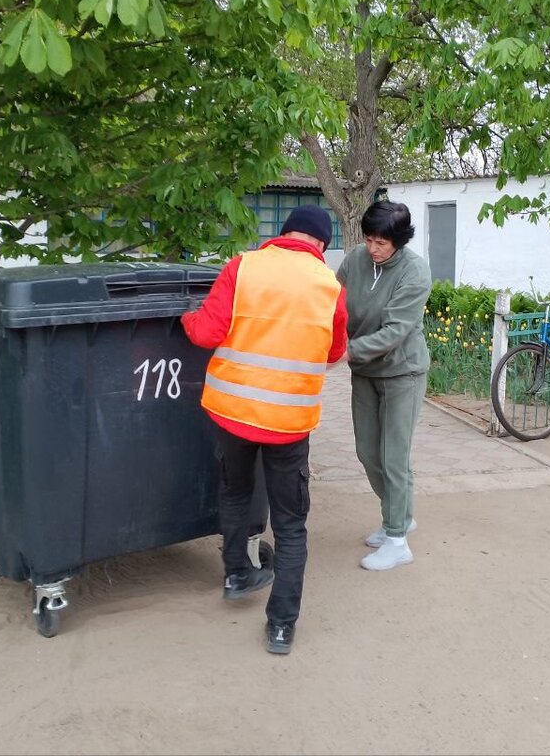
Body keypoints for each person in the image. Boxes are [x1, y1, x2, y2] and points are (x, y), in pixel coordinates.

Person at [181, 204, 348, 655]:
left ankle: (237, 573)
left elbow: (205, 333)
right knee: (291, 525)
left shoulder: (244, 266)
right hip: (288, 423)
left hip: (232, 413)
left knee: (235, 493)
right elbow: (334, 353)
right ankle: (280, 626)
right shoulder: (330, 287)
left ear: (283, 233)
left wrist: (186, 317)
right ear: (321, 245)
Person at [335, 200, 432, 571]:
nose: (373, 249)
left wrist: (345, 351)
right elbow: (335, 304)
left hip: (402, 372)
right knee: (367, 453)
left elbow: (394, 331)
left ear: (400, 241)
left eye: (382, 243)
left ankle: (397, 540)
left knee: (393, 456)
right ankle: (401, 515)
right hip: (365, 371)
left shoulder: (414, 272)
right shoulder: (355, 261)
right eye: (369, 239)